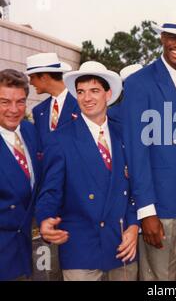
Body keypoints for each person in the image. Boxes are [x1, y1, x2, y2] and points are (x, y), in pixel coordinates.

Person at [35, 61, 139, 281]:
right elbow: (50, 191)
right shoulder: (60, 140)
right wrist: (45, 219)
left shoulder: (124, 135)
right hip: (81, 248)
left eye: (94, 91)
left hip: (121, 246)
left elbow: (135, 188)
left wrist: (133, 226)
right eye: (80, 92)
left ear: (108, 94)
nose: (87, 98)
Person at [122, 17, 176, 280]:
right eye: (172, 37)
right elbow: (137, 151)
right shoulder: (139, 82)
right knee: (159, 279)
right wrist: (146, 211)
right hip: (158, 204)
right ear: (161, 38)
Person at [0, 69, 41, 281]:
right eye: (5, 102)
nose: (13, 110)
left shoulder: (30, 131)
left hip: (25, 250)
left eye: (20, 101)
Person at [26, 52, 80, 140]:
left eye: (32, 77)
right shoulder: (38, 111)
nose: (31, 82)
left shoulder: (82, 103)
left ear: (44, 77)